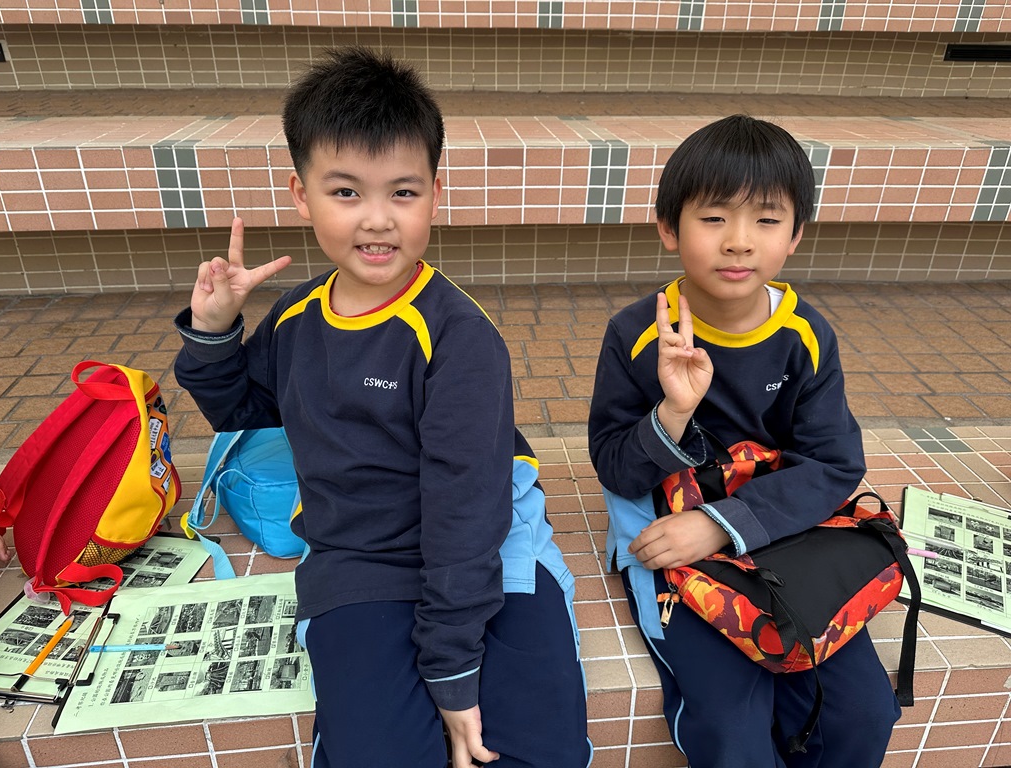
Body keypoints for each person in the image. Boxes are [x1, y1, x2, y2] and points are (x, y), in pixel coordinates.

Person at [173, 47, 590, 768]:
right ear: (301, 194)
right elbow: (244, 407)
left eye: (402, 192)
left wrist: (451, 666)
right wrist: (214, 334)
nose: (377, 220)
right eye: (345, 192)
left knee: (537, 748)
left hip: (486, 543)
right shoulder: (297, 316)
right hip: (358, 555)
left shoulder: (459, 338)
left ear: (435, 194)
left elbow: (466, 512)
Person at [588, 114, 899, 767]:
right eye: (713, 218)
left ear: (795, 235)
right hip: (676, 549)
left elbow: (833, 463)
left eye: (766, 219)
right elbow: (617, 467)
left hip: (784, 534)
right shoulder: (637, 335)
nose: (738, 241)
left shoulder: (805, 335)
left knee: (864, 713)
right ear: (669, 228)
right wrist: (673, 412)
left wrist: (721, 523)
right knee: (732, 726)